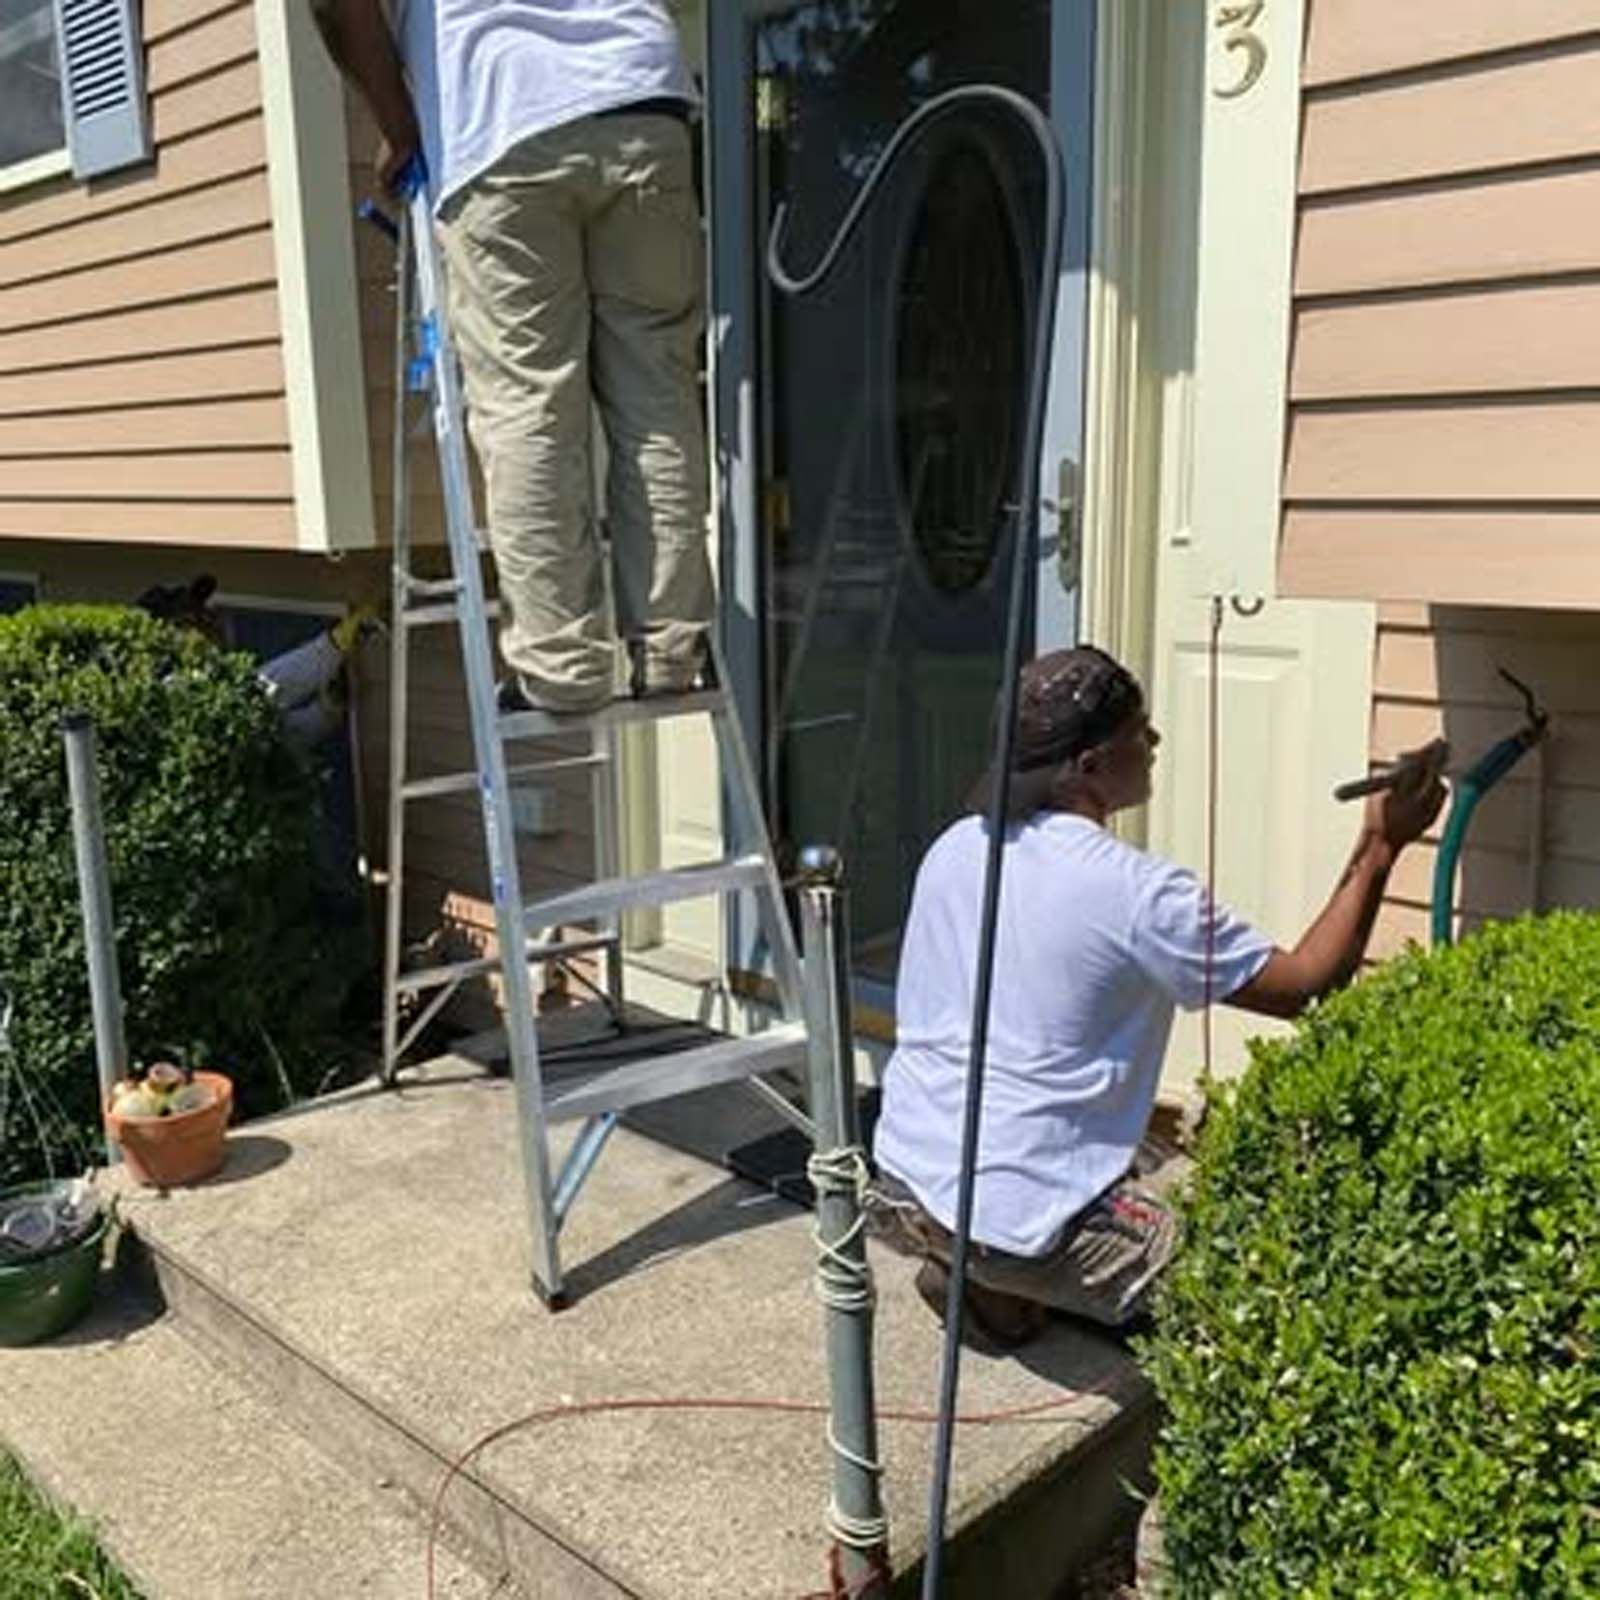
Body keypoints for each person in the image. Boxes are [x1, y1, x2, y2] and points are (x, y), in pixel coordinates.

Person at [867, 645, 1448, 1348]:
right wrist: (1382, 843)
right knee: (1248, 1278)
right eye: (1139, 732)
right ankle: (1003, 1267)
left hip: (902, 1178)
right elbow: (1305, 986)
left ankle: (976, 1274)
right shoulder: (1137, 893)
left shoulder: (956, 845)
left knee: (1131, 1153)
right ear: (1089, 768)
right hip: (1015, 1222)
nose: (1155, 742)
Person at [312, 0, 714, 716]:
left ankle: (562, 667)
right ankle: (672, 649)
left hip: (500, 113)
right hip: (641, 94)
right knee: (659, 394)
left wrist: (397, 124)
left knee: (530, 406)